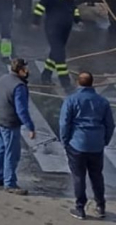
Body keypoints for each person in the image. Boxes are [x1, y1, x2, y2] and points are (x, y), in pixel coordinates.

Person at [60, 72, 115, 220]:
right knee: (97, 176)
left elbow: (64, 123)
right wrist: (104, 141)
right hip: (96, 145)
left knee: (79, 176)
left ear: (78, 83)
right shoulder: (102, 101)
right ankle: (101, 206)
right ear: (92, 83)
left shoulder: (71, 100)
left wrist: (65, 141)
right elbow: (110, 124)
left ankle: (80, 208)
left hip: (77, 143)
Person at [0, 58, 36, 195]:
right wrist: (30, 127)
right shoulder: (19, 86)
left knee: (0, 149)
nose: (28, 71)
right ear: (20, 70)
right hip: (10, 123)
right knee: (12, 153)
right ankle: (10, 183)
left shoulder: (3, 78)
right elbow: (21, 110)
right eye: (26, 69)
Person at [34, 0, 81, 90]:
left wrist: (78, 20)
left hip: (65, 29)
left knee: (54, 53)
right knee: (60, 55)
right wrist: (35, 21)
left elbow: (74, 8)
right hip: (52, 28)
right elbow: (40, 6)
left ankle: (45, 76)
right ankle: (65, 83)